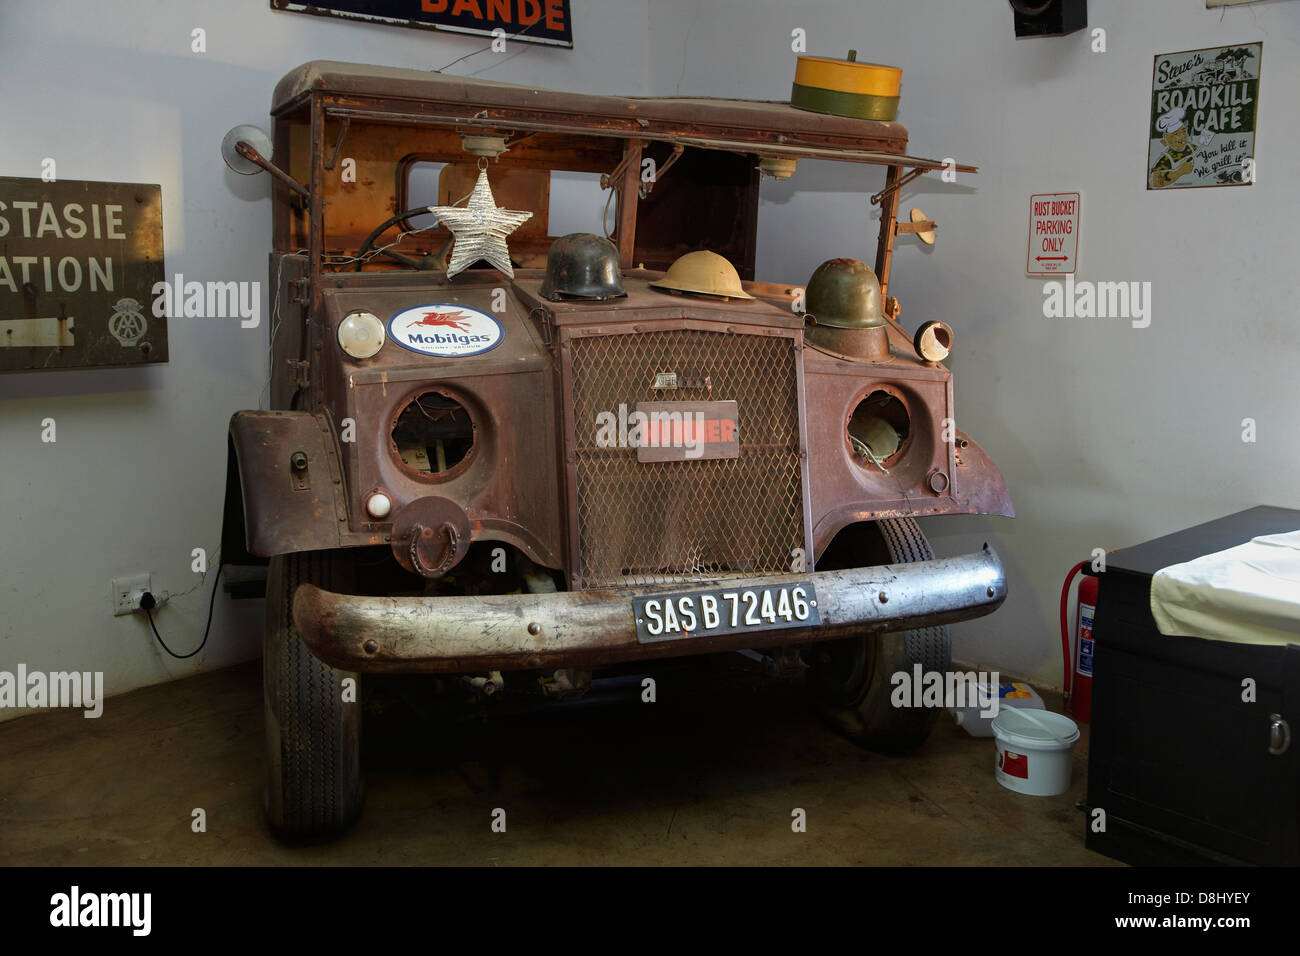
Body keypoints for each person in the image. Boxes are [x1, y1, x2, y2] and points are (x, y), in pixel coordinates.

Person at [1150, 106, 1201, 188]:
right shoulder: (1165, 159)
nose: (1182, 136)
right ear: (1166, 140)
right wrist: (1180, 172)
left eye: (1184, 132)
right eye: (1176, 134)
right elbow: (1154, 181)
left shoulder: (1193, 147)